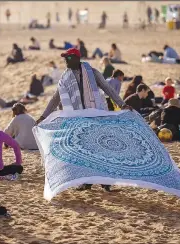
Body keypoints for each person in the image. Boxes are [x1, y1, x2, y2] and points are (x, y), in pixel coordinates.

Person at [36, 48, 132, 192]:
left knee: (100, 149)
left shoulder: (92, 73)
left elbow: (108, 89)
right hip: (78, 120)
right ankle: (87, 181)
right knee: (84, 151)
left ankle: (105, 182)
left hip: (96, 117)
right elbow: (55, 98)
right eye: (65, 58)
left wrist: (122, 104)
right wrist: (43, 116)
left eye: (68, 58)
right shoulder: (65, 78)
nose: (65, 61)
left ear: (76, 58)